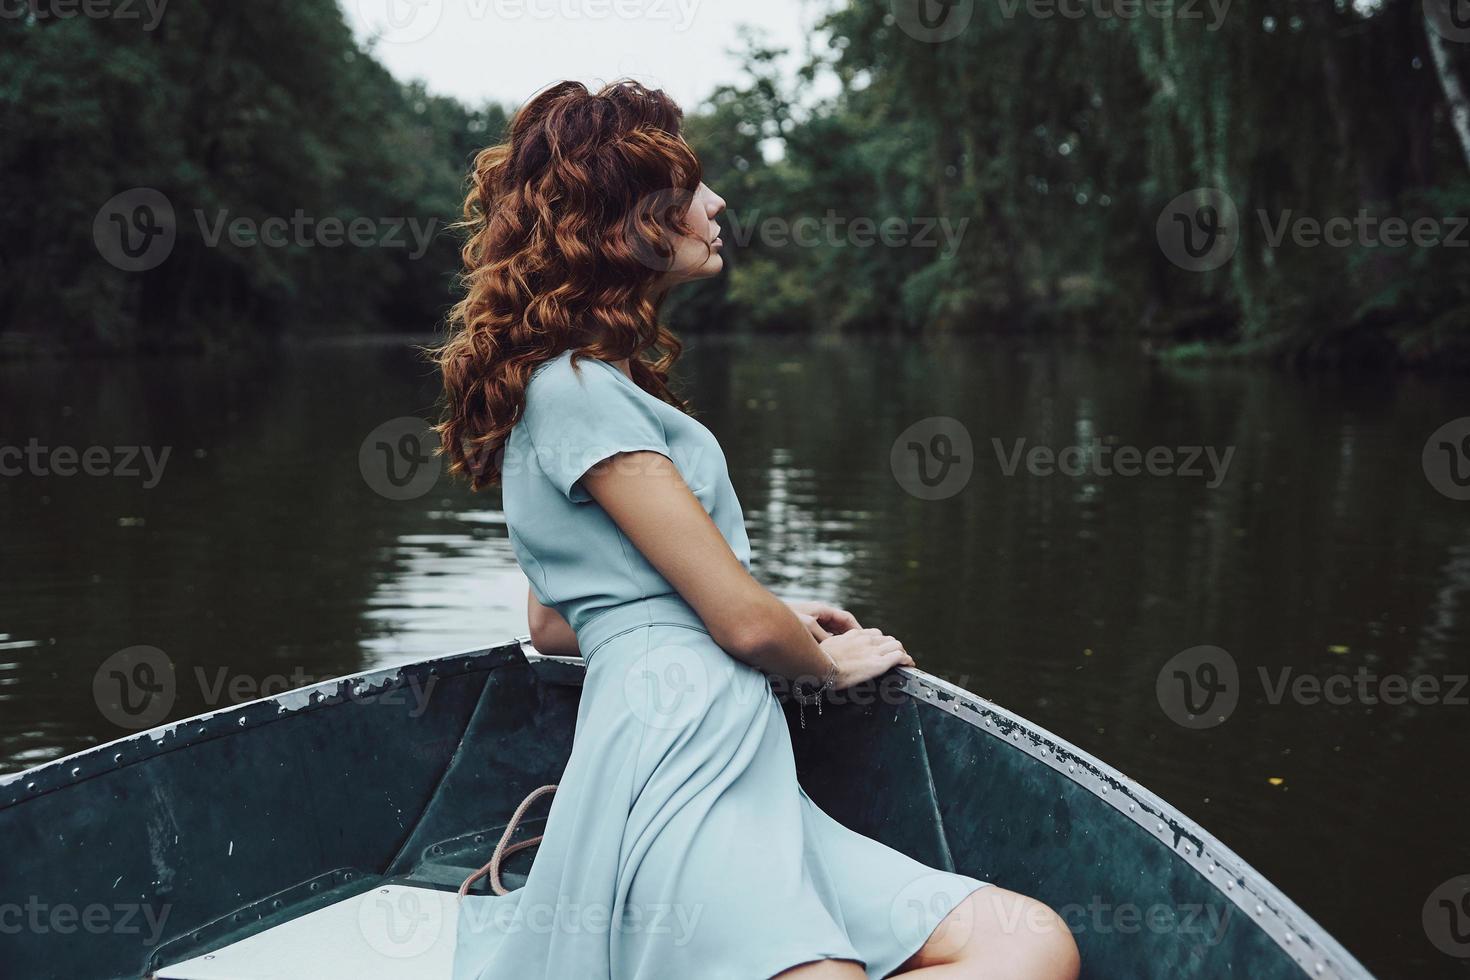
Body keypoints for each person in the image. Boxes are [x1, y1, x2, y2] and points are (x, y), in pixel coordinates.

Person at [434, 79, 1080, 980]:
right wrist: (821, 659)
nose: (717, 204)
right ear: (624, 219)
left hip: (731, 757)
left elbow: (557, 622)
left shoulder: (579, 388)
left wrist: (760, 606)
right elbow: (739, 626)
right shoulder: (578, 391)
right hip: (680, 753)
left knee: (1029, 943)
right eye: (692, 188)